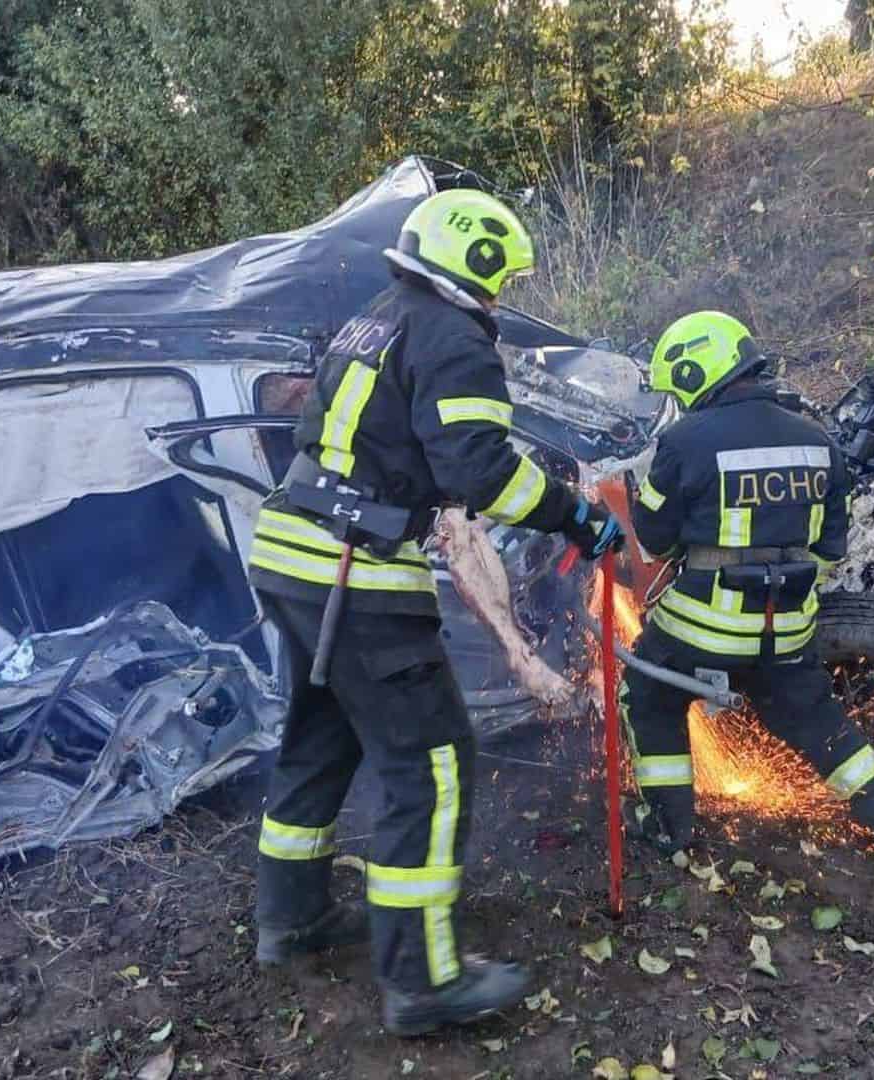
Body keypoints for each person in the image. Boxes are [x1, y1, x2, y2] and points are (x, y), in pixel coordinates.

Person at [245, 186, 622, 1037]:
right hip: (357, 573)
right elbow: (480, 467)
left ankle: (290, 921)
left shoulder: (378, 313)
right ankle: (423, 981)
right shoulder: (455, 334)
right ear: (477, 262)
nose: (500, 297)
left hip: (292, 555)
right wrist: (573, 512)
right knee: (434, 764)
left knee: (320, 736)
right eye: (500, 278)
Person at [622, 311, 874, 858]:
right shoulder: (818, 442)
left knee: (649, 693)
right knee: (812, 718)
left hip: (702, 624)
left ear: (696, 373)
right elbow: (831, 546)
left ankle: (669, 828)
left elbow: (653, 538)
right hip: (786, 625)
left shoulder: (685, 441)